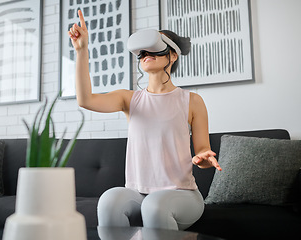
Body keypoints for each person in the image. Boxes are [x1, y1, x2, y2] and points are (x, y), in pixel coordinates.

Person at [68, 10, 222, 231]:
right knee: (109, 201)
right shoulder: (129, 99)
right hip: (137, 193)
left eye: (154, 47)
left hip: (182, 195)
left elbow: (203, 153)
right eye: (142, 51)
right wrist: (82, 51)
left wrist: (204, 158)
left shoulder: (192, 101)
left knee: (155, 205)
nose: (146, 53)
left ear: (173, 54)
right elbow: (85, 100)